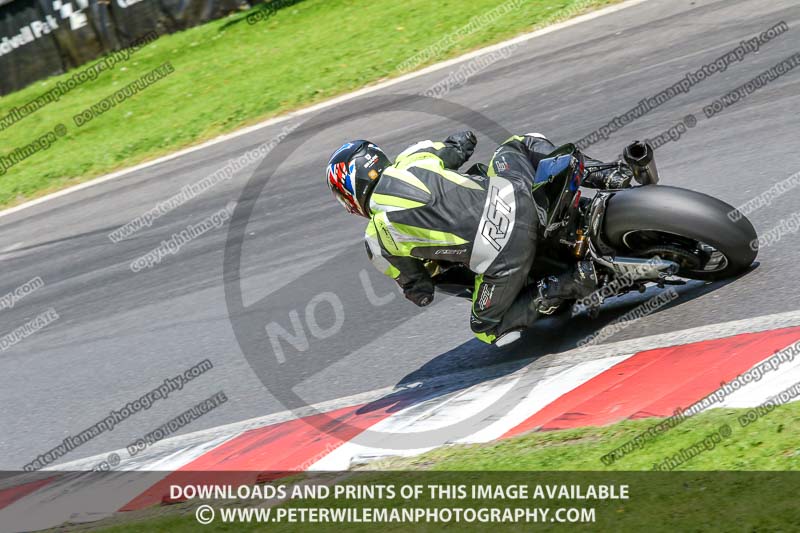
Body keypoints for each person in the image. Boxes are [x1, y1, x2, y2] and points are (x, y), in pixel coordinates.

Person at [325, 132, 632, 346]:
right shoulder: (413, 158)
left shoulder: (377, 237)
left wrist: (420, 281)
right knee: (520, 143)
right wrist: (457, 148)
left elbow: (420, 291)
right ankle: (606, 174)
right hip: (520, 198)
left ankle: (570, 283)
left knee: (485, 327)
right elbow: (461, 143)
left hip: (504, 256)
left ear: (350, 191)